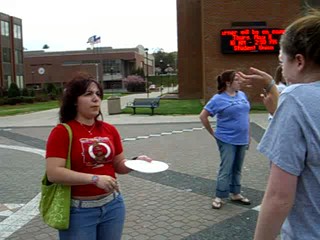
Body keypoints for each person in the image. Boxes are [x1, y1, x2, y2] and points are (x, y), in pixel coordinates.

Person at [239, 9, 320, 240]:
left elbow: (279, 197)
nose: (281, 68)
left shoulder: (295, 98)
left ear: (299, 61)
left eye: (281, 60)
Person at [45, 72, 152, 240]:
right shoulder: (62, 132)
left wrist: (136, 162)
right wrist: (94, 179)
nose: (96, 99)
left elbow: (118, 165)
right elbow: (54, 173)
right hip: (79, 211)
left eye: (98, 94)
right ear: (74, 101)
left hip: (113, 206)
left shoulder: (109, 129)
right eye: (88, 94)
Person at [199, 70, 251, 209]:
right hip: (227, 139)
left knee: (237, 168)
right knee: (226, 168)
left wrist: (248, 136)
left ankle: (235, 193)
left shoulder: (242, 95)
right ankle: (220, 196)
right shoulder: (218, 99)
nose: (240, 82)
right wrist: (213, 133)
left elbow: (246, 116)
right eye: (237, 80)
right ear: (228, 83)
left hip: (242, 138)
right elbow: (203, 116)